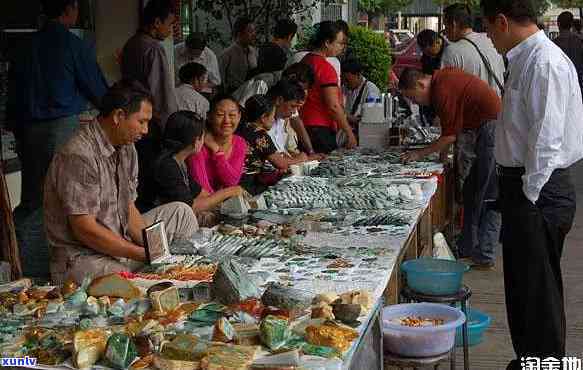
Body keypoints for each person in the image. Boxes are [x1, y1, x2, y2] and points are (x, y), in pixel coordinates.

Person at [481, 0, 583, 367]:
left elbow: (548, 139)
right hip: (523, 187)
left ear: (503, 22)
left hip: (539, 190)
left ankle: (544, 362)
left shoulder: (544, 62)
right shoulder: (524, 60)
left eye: (489, 29)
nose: (489, 38)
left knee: (539, 293)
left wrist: (529, 195)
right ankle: (529, 360)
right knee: (523, 288)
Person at [44, 82, 198, 285]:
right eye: (141, 122)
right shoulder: (79, 155)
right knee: (132, 283)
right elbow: (84, 229)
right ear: (118, 116)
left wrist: (157, 250)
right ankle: (146, 275)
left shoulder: (126, 146)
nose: (145, 130)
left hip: (120, 240)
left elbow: (128, 207)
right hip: (82, 257)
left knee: (182, 213)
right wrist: (142, 254)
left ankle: (162, 270)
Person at [7, 0, 108, 279]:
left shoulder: (24, 46)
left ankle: (21, 266)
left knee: (31, 198)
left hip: (27, 128)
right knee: (62, 200)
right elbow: (98, 91)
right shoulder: (72, 45)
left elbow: (12, 95)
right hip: (60, 127)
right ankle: (45, 272)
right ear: (70, 10)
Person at [399, 68, 501, 269]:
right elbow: (450, 130)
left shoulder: (442, 88)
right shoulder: (442, 81)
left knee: (486, 192)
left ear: (421, 84)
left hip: (491, 129)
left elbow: (449, 136)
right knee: (473, 190)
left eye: (414, 97)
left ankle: (484, 253)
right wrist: (441, 157)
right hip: (483, 128)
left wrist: (419, 154)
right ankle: (469, 248)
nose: (416, 103)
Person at [441, 2, 505, 268]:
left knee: (470, 189)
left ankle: (469, 245)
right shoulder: (491, 42)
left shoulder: (453, 51)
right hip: (499, 122)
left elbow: (446, 95)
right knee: (491, 189)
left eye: (446, 25)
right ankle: (484, 249)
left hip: (472, 129)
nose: (445, 31)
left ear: (455, 24)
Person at [120, 0, 178, 212]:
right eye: (170, 24)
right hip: (151, 123)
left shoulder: (131, 44)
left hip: (131, 118)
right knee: (149, 180)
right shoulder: (153, 48)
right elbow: (162, 94)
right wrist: (170, 127)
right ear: (156, 22)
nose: (171, 30)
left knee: (136, 174)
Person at [153, 111, 243, 226]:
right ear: (196, 141)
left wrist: (223, 204)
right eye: (203, 137)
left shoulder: (180, 162)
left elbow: (202, 194)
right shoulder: (167, 166)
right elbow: (191, 207)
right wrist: (228, 192)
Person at [299, 21, 357, 153]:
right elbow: (334, 106)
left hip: (305, 125)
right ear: (327, 42)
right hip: (320, 128)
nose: (342, 47)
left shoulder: (306, 60)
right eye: (340, 43)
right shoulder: (325, 68)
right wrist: (349, 133)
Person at [238, 95, 308, 195]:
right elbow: (281, 164)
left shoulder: (241, 128)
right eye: (272, 116)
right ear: (263, 118)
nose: (273, 120)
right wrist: (301, 158)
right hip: (247, 184)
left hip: (236, 179)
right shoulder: (260, 135)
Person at [188, 95, 247, 194]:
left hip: (223, 202)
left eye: (232, 115)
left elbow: (232, 181)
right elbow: (203, 190)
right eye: (220, 115)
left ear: (239, 116)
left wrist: (216, 150)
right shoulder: (198, 145)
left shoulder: (240, 142)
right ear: (209, 117)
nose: (227, 121)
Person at [266, 80, 314, 160]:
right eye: (292, 106)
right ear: (279, 100)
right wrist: (301, 159)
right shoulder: (263, 123)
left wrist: (308, 157)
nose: (294, 111)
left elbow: (282, 153)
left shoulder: (280, 120)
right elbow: (274, 162)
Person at [280, 63, 321, 158]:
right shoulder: (262, 84)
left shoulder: (291, 102)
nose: (294, 110)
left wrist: (311, 152)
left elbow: (296, 121)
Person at [219, 17, 258, 94]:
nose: (254, 34)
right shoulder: (227, 55)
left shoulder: (254, 51)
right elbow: (221, 82)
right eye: (250, 31)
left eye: (254, 31)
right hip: (233, 95)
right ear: (239, 34)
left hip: (251, 93)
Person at [176, 32, 221, 98]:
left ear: (203, 49)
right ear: (186, 46)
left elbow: (216, 82)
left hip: (201, 93)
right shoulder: (174, 51)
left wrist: (200, 85)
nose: (193, 57)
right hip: (178, 90)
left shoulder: (210, 56)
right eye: (190, 52)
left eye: (197, 54)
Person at [342, 60, 381, 128]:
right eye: (343, 81)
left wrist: (347, 117)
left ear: (358, 75)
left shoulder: (372, 91)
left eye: (347, 80)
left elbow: (371, 118)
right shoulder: (344, 88)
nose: (345, 84)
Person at [553, 11, 583, 94]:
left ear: (558, 24)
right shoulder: (580, 41)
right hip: (578, 85)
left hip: (560, 87)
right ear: (571, 24)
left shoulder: (552, 44)